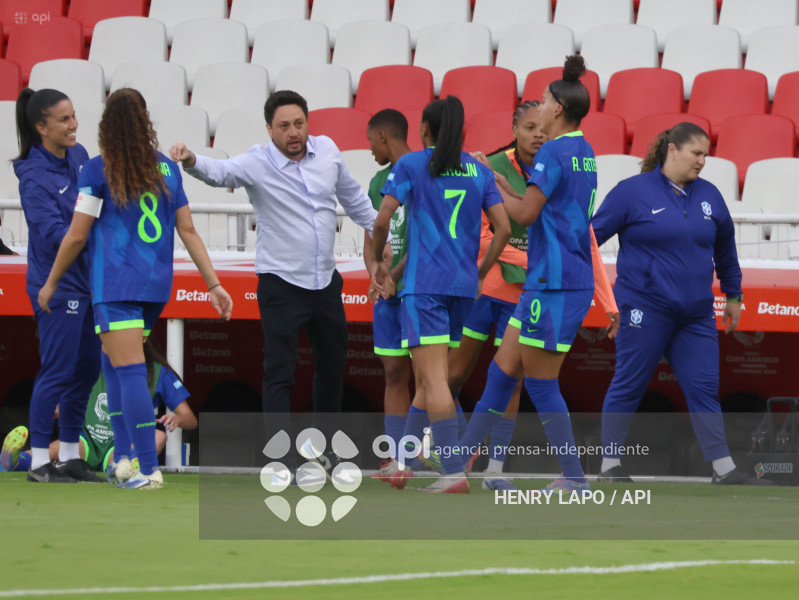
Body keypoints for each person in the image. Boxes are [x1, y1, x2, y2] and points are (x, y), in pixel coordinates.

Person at [169, 90, 382, 468]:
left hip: (325, 281)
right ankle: (281, 456)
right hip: (281, 283)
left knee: (332, 366)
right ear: (269, 129)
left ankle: (327, 449)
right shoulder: (258, 161)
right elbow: (221, 173)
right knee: (280, 371)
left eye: (299, 123)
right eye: (284, 126)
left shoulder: (328, 151)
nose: (293, 132)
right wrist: (191, 160)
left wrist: (385, 237)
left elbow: (355, 200)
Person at [38, 88, 232, 490]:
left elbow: (76, 235)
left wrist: (51, 281)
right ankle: (124, 458)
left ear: (106, 126)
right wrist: (213, 284)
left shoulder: (96, 170)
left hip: (114, 285)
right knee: (112, 363)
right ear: (145, 121)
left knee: (127, 372)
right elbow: (188, 230)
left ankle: (147, 469)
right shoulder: (167, 169)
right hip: (155, 287)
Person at [457, 55, 613, 492]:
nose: (539, 108)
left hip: (555, 285)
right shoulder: (584, 152)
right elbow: (542, 207)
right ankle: (459, 467)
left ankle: (575, 478)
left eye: (543, 102)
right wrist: (498, 181)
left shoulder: (552, 152)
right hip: (550, 281)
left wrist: (491, 188)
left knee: (542, 385)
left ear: (557, 108)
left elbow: (525, 215)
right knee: (501, 373)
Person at [592, 122, 767, 486]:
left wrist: (734, 295)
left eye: (706, 155)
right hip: (643, 307)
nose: (702, 161)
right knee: (629, 382)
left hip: (696, 314)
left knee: (704, 388)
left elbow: (725, 250)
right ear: (672, 149)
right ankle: (609, 465)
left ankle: (723, 469)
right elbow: (589, 241)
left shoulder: (710, 195)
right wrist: (598, 294)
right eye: (696, 153)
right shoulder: (631, 192)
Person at [371, 96, 512, 493]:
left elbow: (382, 220)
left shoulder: (412, 165)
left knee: (432, 380)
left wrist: (379, 263)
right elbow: (503, 229)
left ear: (424, 130)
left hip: (425, 287)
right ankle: (402, 463)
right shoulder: (478, 170)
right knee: (428, 381)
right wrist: (480, 273)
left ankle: (452, 470)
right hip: (462, 288)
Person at [13, 88, 103, 484]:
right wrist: (86, 233)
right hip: (57, 286)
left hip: (87, 282)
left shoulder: (79, 155)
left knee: (87, 368)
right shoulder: (34, 177)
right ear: (41, 127)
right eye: (64, 119)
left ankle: (68, 456)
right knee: (57, 370)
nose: (74, 125)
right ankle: (37, 462)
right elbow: (52, 237)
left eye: (74, 116)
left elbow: (96, 205)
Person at [1, 338, 198, 475]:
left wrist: (177, 418)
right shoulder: (91, 365)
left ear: (142, 339)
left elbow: (190, 419)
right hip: (87, 440)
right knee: (57, 448)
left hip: (122, 445)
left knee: (158, 436)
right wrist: (58, 409)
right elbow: (67, 402)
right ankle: (16, 461)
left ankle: (127, 467)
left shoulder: (158, 372)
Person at [360, 109, 416, 487]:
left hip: (416, 290)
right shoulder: (377, 182)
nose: (370, 150)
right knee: (394, 373)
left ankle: (451, 451)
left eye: (370, 141)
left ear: (383, 136)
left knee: (431, 377)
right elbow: (370, 236)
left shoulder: (422, 172)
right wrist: (375, 275)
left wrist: (393, 276)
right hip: (387, 293)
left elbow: (424, 237)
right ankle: (398, 458)